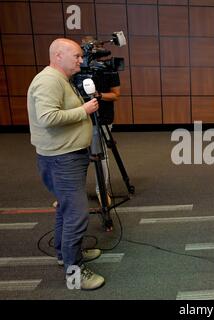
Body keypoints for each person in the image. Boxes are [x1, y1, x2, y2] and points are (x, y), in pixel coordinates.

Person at [27, 38, 105, 290]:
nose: (81, 60)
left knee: (65, 208)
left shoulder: (60, 79)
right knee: (76, 214)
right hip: (62, 159)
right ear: (58, 56)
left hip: (67, 155)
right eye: (76, 56)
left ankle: (64, 254)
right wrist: (84, 110)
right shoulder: (48, 80)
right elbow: (48, 117)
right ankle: (74, 272)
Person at [82, 36, 121, 210]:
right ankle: (71, 194)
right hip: (79, 120)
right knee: (77, 158)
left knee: (100, 156)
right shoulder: (77, 71)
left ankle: (102, 190)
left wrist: (99, 95)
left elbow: (116, 95)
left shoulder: (108, 70)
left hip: (102, 119)